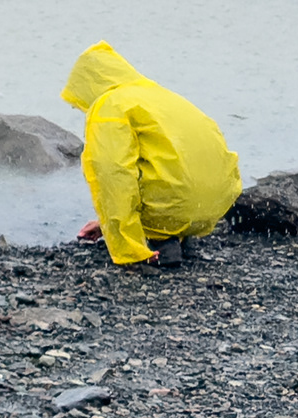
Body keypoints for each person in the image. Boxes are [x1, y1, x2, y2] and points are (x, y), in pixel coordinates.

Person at [60, 41, 243, 268]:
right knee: (167, 170)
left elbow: (113, 174)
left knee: (119, 177)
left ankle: (161, 243)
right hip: (215, 205)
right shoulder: (159, 96)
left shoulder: (109, 105)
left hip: (176, 206)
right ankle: (183, 235)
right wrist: (102, 223)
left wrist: (127, 246)